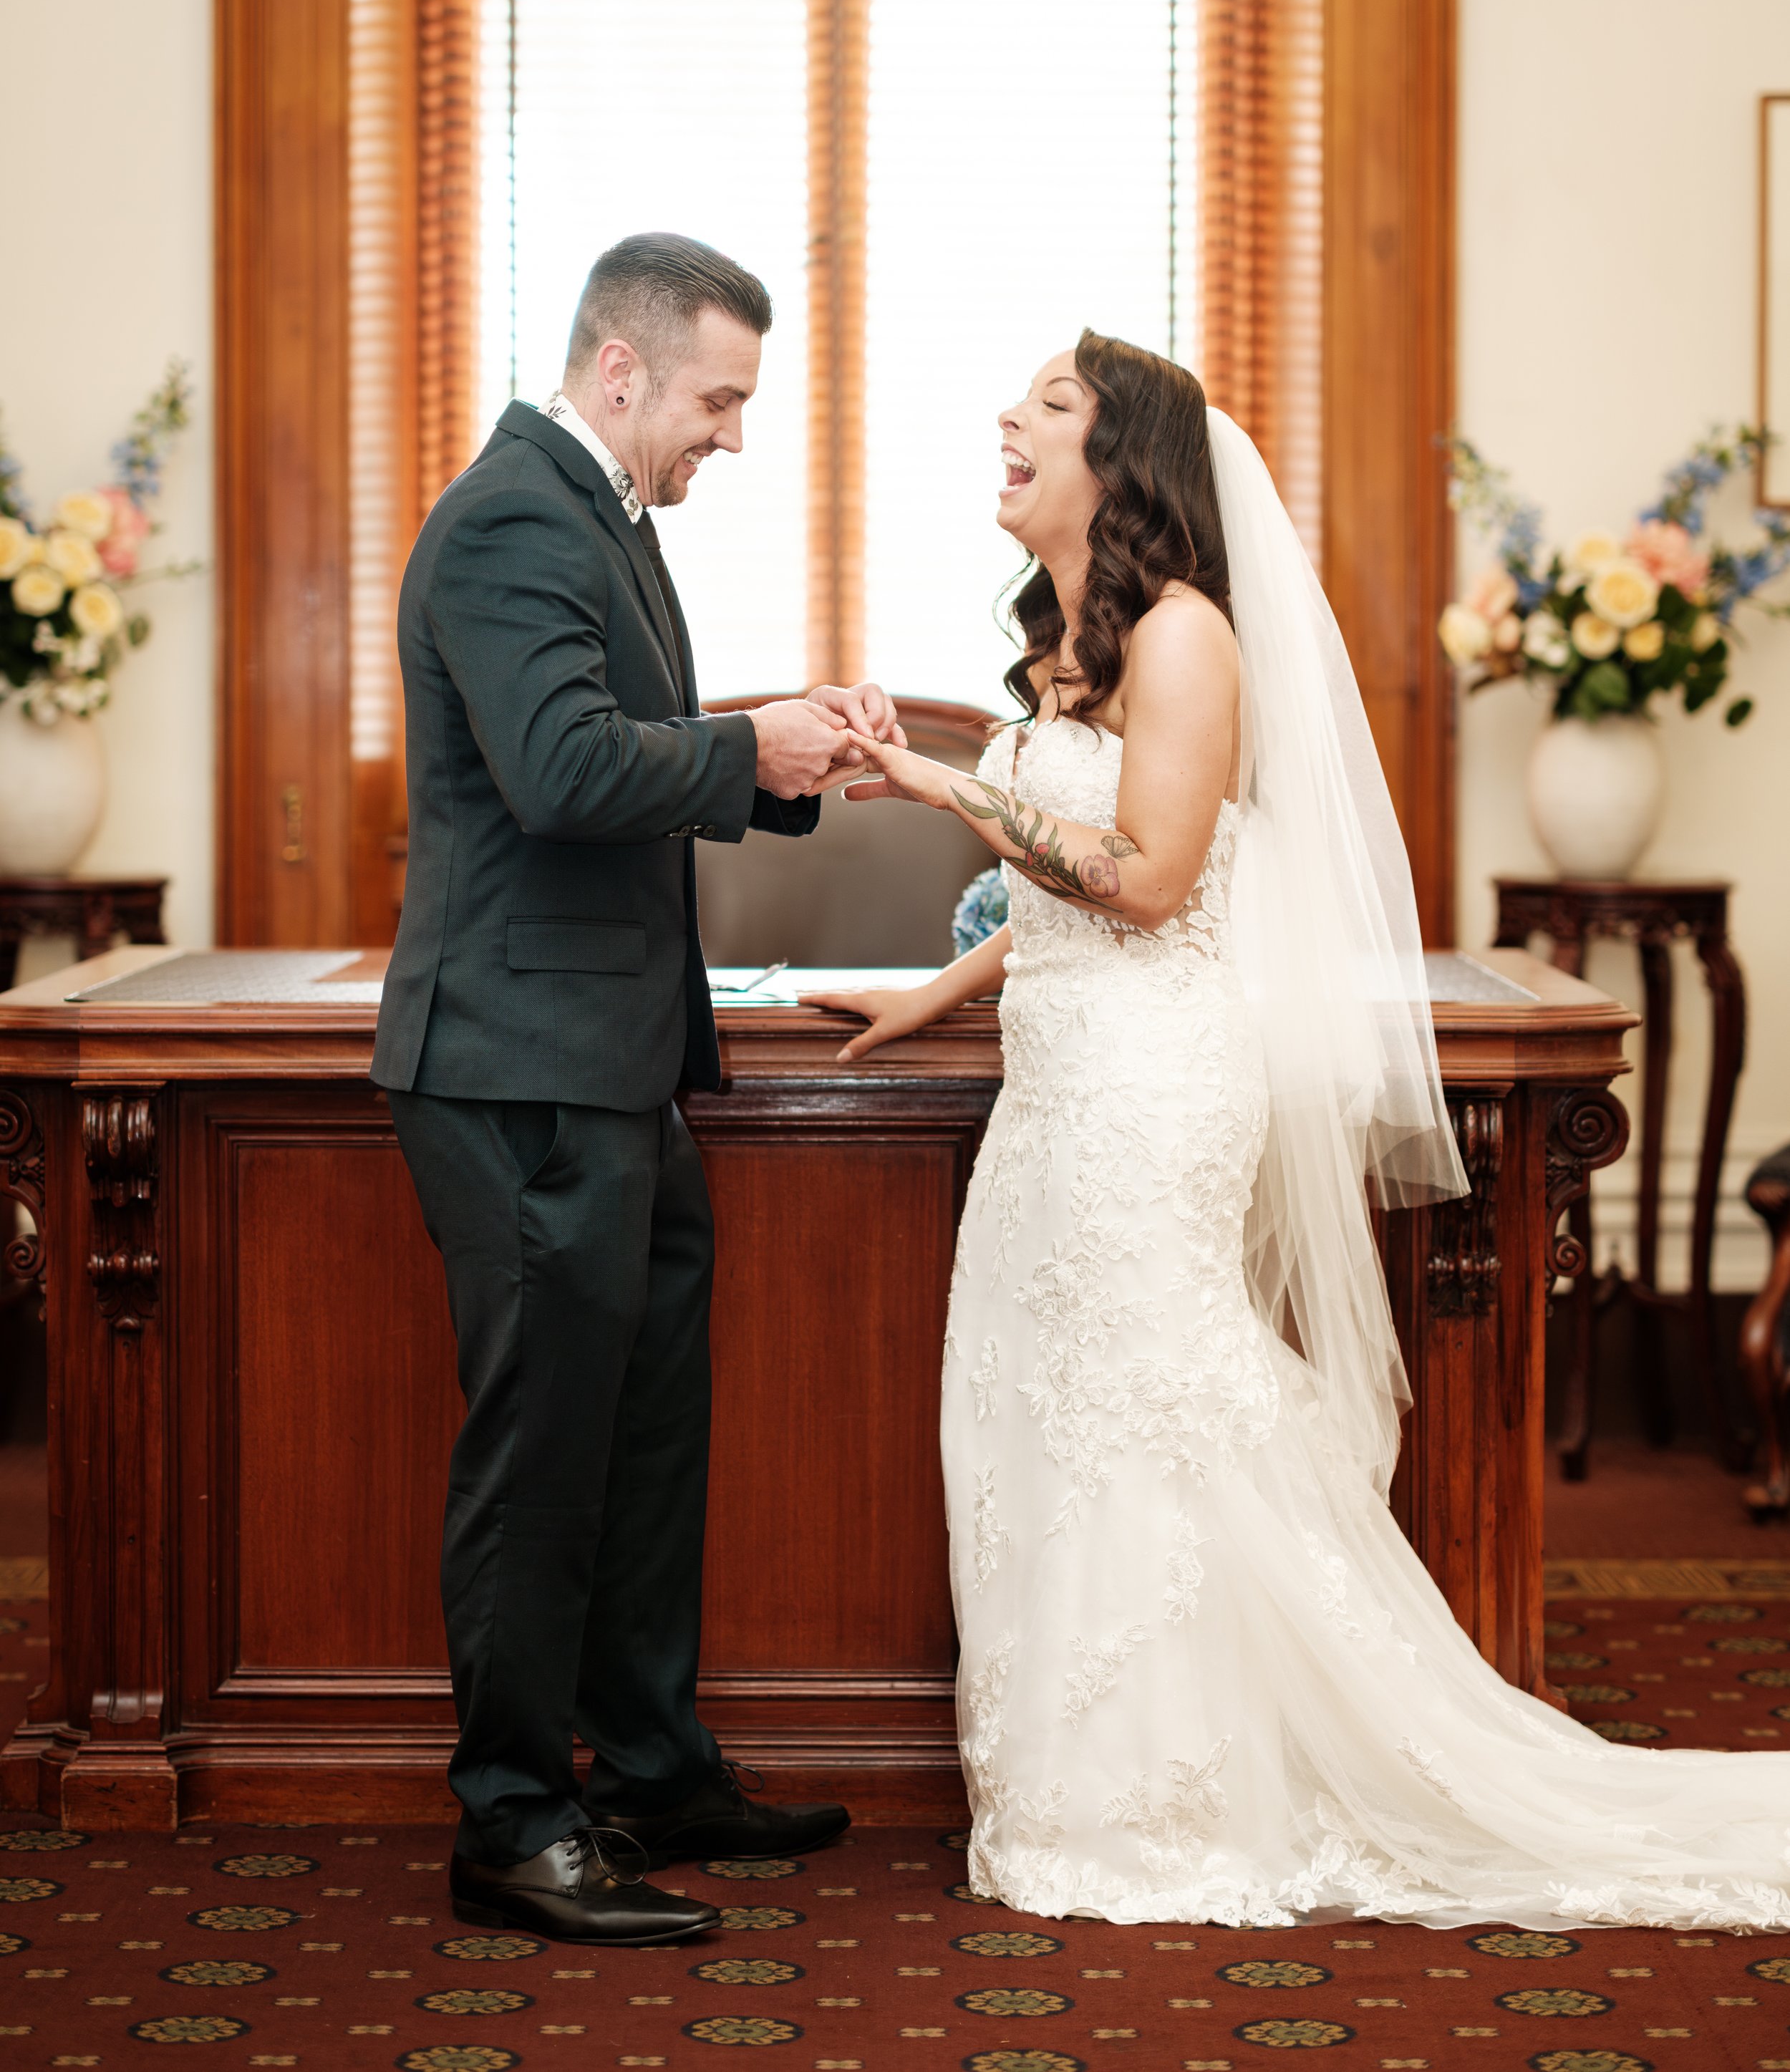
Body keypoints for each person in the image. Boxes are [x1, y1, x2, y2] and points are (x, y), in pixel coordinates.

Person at [801, 330, 1790, 1930]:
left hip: (1149, 1092)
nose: (1007, 417)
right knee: (1042, 1409)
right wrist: (934, 992)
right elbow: (1062, 898)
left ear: (1122, 460)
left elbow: (1150, 879)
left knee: (1149, 1409)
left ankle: (1185, 1799)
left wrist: (937, 785)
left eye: (1048, 404)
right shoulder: (1067, 645)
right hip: (1057, 1090)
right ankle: (1078, 1787)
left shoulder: (1186, 634)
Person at [374, 232, 896, 1945]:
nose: (732, 434)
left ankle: (653, 1772)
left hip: (612, 1067)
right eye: (718, 399)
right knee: (541, 1453)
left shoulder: (598, 514)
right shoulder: (513, 516)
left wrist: (781, 744)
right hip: (517, 1070)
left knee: (643, 1436)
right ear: (621, 369)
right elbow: (557, 768)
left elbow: (620, 732)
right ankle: (514, 1824)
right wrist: (753, 750)